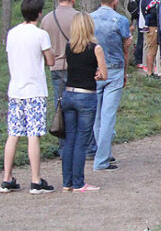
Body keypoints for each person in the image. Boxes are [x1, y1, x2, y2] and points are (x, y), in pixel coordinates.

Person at [1, 0, 56, 194]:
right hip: (35, 91)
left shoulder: (12, 33)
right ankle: (35, 180)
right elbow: (50, 60)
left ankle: (7, 178)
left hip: (16, 89)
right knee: (33, 134)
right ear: (39, 13)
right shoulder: (40, 35)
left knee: (13, 134)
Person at [61, 12, 107, 192]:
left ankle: (67, 182)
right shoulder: (96, 49)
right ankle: (79, 182)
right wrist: (95, 75)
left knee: (69, 140)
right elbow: (104, 75)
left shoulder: (68, 47)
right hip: (86, 96)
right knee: (81, 140)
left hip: (69, 94)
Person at [91, 0, 132, 171]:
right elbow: (126, 47)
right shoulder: (120, 20)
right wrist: (125, 72)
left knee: (97, 115)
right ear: (115, 1)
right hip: (114, 69)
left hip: (95, 70)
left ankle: (103, 153)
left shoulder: (89, 19)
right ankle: (101, 159)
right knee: (108, 115)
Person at [39, 0, 80, 158]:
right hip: (76, 66)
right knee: (79, 106)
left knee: (60, 105)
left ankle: (63, 146)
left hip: (55, 67)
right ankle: (77, 144)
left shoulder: (47, 19)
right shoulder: (79, 18)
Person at [140, 0, 160, 78]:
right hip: (152, 27)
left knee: (153, 49)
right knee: (152, 49)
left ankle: (150, 71)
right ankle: (149, 72)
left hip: (153, 26)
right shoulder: (148, 0)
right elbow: (152, 11)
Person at [130, 0, 150, 70]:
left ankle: (140, 59)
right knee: (140, 39)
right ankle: (138, 59)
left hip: (141, 19)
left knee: (141, 39)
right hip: (141, 19)